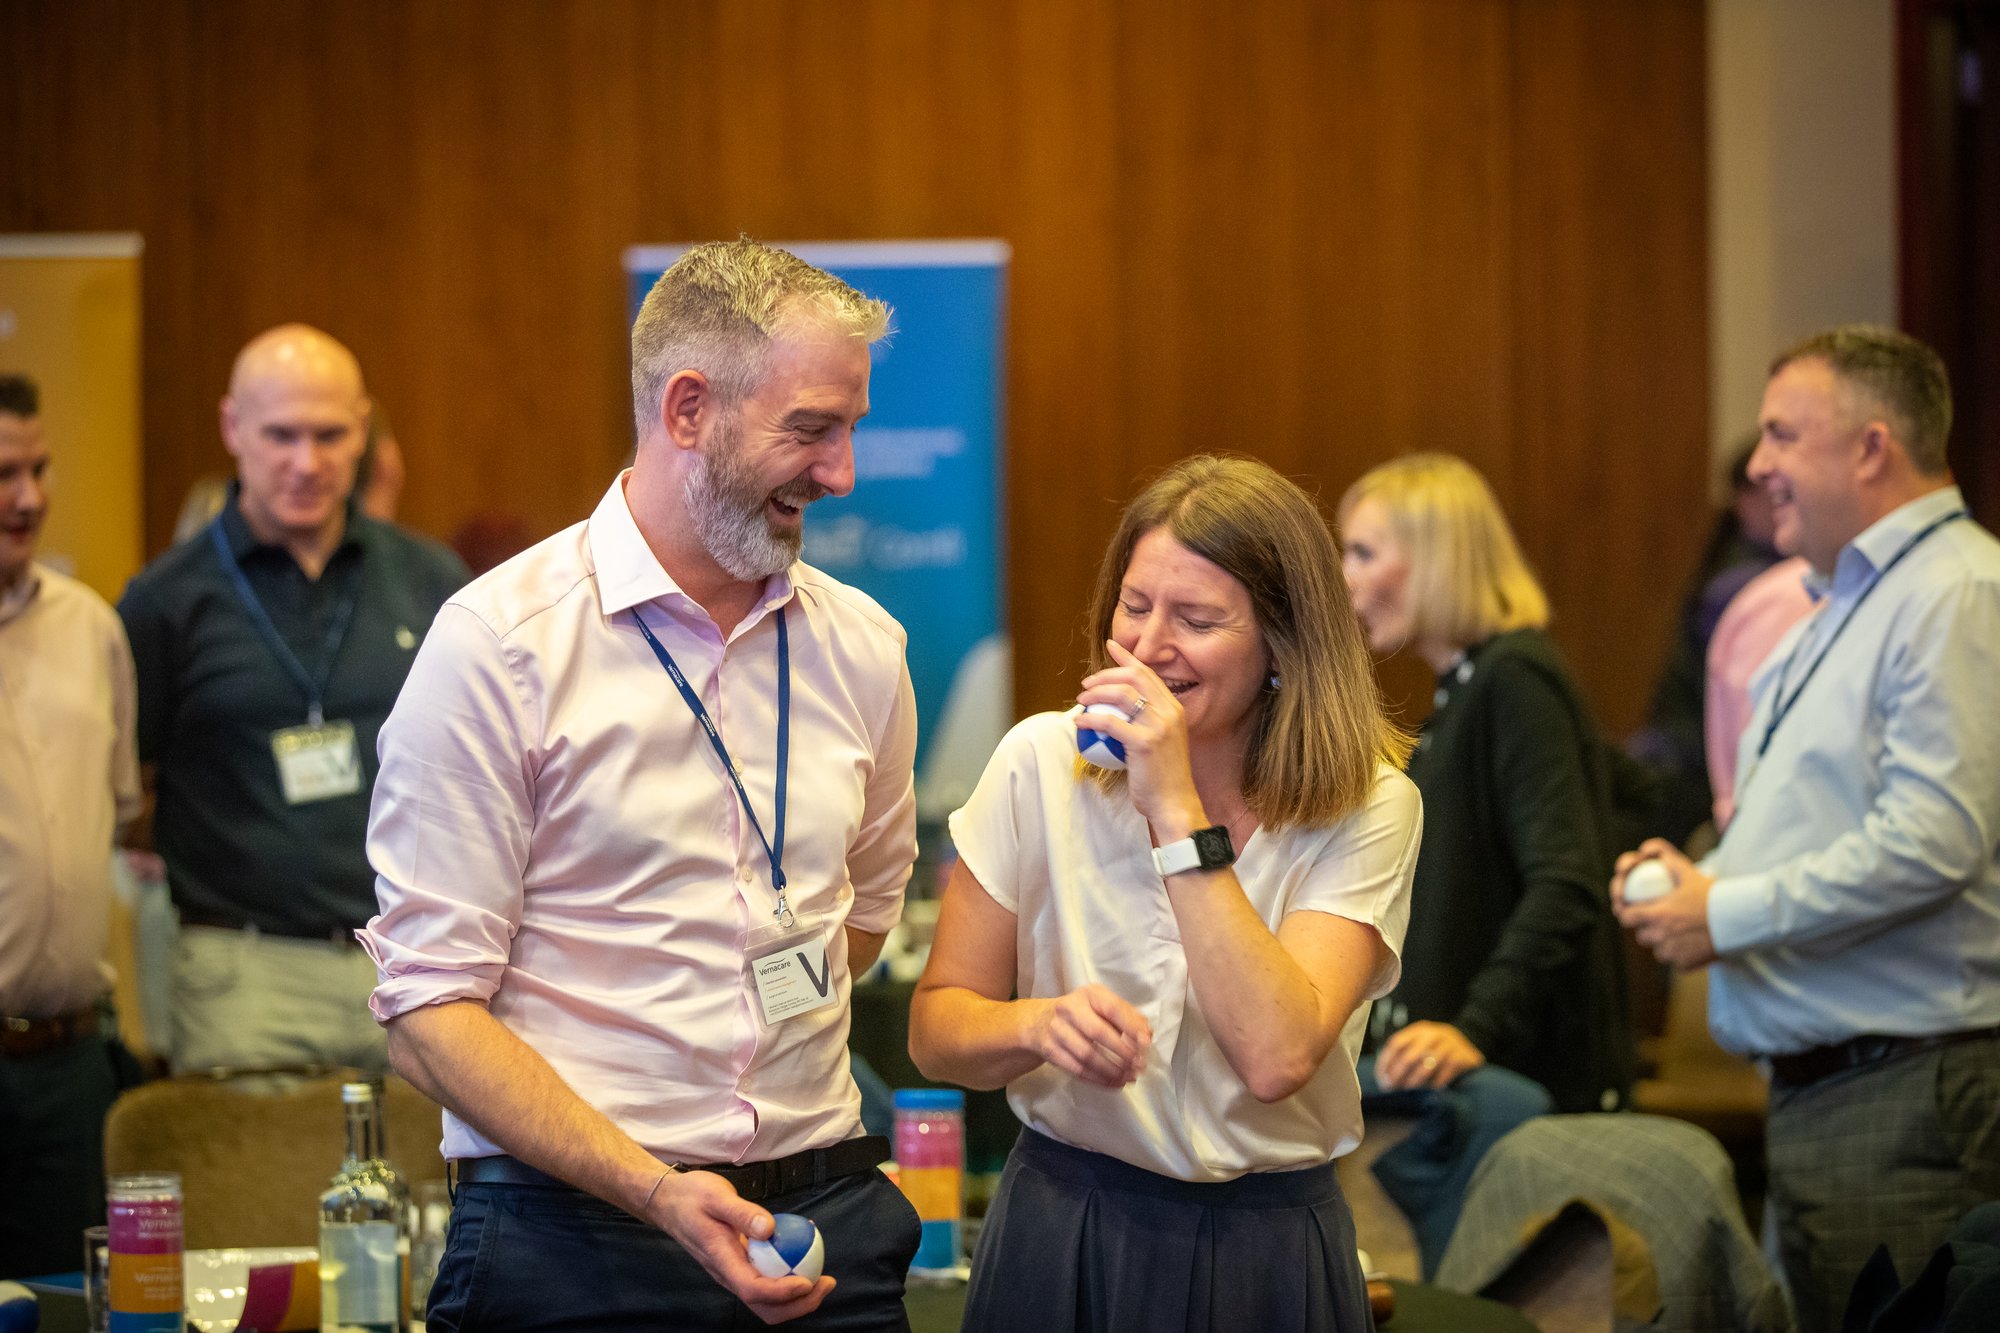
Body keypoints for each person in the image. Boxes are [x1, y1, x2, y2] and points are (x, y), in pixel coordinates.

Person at [360, 239, 921, 1329]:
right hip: (574, 1237)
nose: (842, 471)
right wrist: (656, 1185)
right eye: (809, 428)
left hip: (824, 1221)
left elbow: (861, 916)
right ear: (686, 410)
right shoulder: (499, 646)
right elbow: (427, 1011)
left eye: (851, 428)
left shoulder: (864, 646)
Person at [910, 455, 1422, 1332]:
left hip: (1266, 1247)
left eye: (1197, 619)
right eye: (1135, 607)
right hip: (1060, 1221)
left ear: (1281, 642)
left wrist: (1176, 808)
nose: (1149, 647)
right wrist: (1033, 1024)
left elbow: (1275, 1056)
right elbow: (935, 1031)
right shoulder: (1040, 761)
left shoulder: (1371, 804)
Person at [1616, 325, 2000, 1331]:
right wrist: (1703, 877)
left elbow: (1932, 839)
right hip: (1842, 1092)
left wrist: (1727, 910)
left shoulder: (1953, 592)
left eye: (1781, 434)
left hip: (1902, 1092)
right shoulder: (1851, 600)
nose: (1755, 465)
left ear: (1869, 446)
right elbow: (1830, 817)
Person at [117, 325, 469, 1074]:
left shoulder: (430, 579)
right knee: (253, 1190)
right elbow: (123, 787)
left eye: (329, 434)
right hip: (243, 975)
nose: (306, 462)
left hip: (409, 965)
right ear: (232, 429)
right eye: (280, 435)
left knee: (418, 1191)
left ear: (363, 430)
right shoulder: (165, 601)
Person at [1338, 453, 1632, 1272]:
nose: (1345, 579)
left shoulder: (1514, 679)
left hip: (1519, 1101)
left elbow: (1566, 880)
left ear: (1435, 557)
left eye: (1362, 552)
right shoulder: (1469, 688)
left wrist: (1474, 1028)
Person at [0, 374, 142, 1276]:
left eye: (39, 469)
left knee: (73, 1299)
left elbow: (124, 815)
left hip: (68, 1062)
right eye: (4, 473)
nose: (28, 497)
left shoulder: (94, 629)